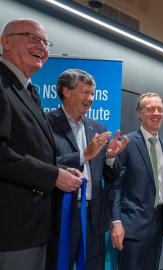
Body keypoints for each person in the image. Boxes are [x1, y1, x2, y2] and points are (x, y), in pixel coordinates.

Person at [0, 19, 83, 270]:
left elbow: (29, 151)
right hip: (12, 231)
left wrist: (59, 168)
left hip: (37, 228)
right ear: (5, 42)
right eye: (32, 38)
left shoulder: (28, 91)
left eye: (45, 42)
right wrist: (53, 175)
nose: (42, 47)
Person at [46, 69, 128, 270]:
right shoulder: (46, 122)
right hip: (61, 216)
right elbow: (45, 164)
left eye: (93, 93)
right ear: (66, 91)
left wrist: (109, 158)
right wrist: (84, 155)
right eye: (85, 92)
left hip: (94, 219)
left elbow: (111, 177)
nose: (91, 99)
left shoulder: (98, 128)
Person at [110, 92, 163, 270]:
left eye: (160, 109)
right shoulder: (127, 143)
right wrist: (116, 221)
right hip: (131, 228)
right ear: (139, 114)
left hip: (157, 227)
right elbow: (115, 186)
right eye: (150, 109)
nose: (156, 113)